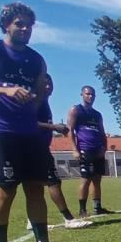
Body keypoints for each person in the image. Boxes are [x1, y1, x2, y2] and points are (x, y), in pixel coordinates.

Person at [0, 2, 68, 242]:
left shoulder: (37, 60)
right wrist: (5, 90)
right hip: (1, 129)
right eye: (19, 24)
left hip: (29, 131)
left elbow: (34, 99)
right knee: (7, 189)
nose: (25, 29)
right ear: (6, 25)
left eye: (29, 25)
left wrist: (39, 97)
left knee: (35, 187)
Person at [33, 74, 92, 229]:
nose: (48, 86)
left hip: (41, 147)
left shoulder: (44, 102)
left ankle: (31, 221)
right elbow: (27, 122)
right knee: (53, 182)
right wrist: (54, 127)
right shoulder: (36, 101)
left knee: (35, 185)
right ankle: (68, 219)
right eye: (44, 83)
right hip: (35, 147)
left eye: (50, 83)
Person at [68, 85, 113, 217]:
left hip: (98, 151)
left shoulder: (97, 114)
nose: (90, 96)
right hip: (85, 150)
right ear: (82, 95)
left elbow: (102, 133)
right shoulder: (76, 110)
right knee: (85, 180)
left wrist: (104, 148)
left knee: (97, 180)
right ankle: (82, 210)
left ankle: (97, 207)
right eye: (87, 94)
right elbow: (70, 130)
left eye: (92, 94)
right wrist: (74, 149)